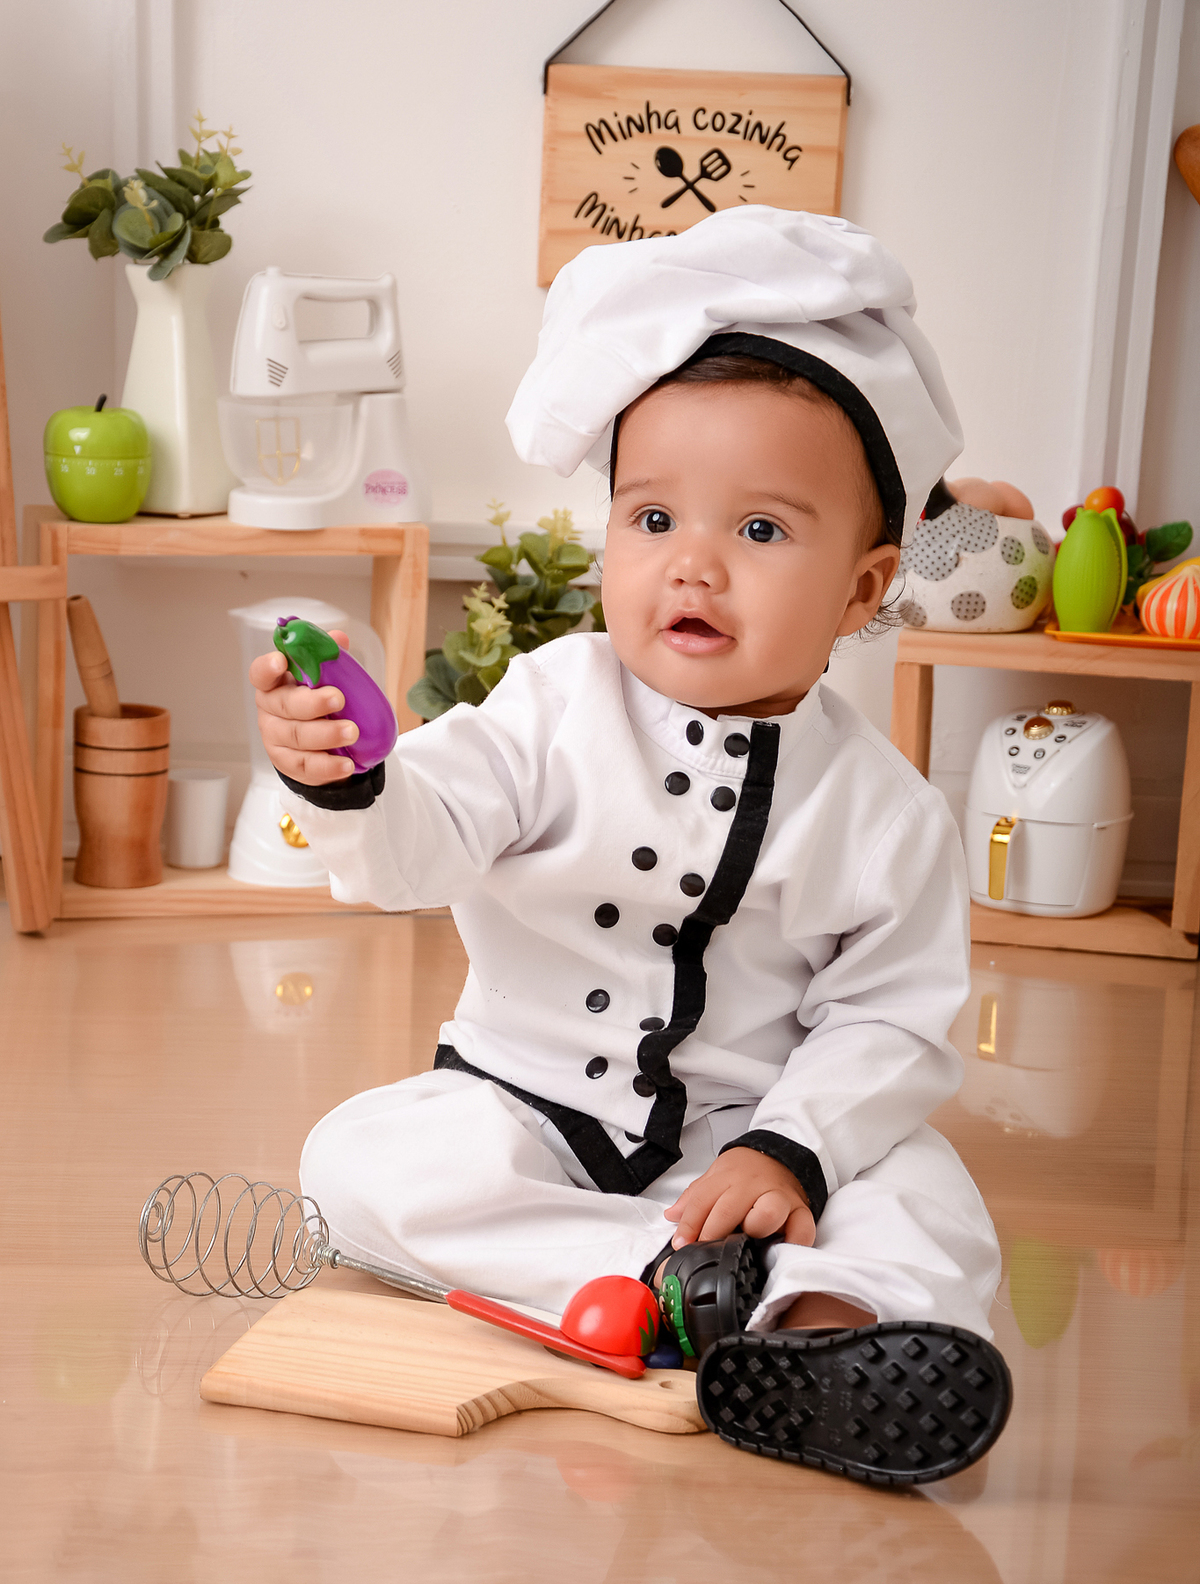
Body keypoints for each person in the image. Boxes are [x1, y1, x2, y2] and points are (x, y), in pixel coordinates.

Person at [250, 208, 1010, 1484]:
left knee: (930, 1192)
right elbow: (423, 839)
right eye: (652, 520)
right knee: (358, 1161)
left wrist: (792, 1147)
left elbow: (891, 1020)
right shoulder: (548, 705)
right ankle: (687, 1291)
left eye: (759, 532)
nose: (693, 567)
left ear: (863, 589)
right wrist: (352, 782)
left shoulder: (885, 810)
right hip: (527, 1110)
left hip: (750, 1142)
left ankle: (834, 1335)